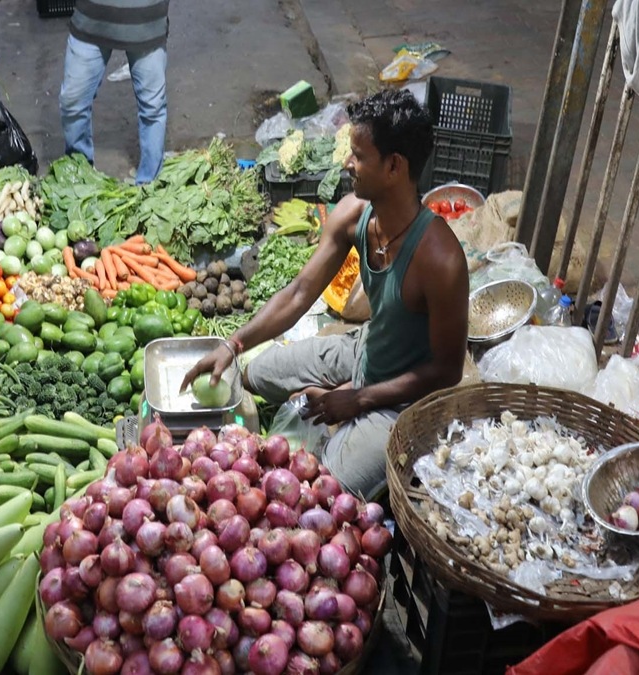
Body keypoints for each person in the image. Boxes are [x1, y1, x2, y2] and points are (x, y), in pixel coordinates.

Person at [182, 89, 469, 499]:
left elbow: (446, 372)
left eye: (358, 155)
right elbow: (300, 293)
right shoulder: (355, 214)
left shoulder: (441, 260)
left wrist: (358, 399)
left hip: (403, 402)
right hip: (364, 351)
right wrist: (233, 344)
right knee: (255, 373)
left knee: (318, 497)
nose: (346, 163)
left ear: (393, 166)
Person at [59, 0, 169, 184]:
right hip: (91, 19)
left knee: (153, 108)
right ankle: (79, 177)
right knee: (73, 102)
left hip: (147, 22)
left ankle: (149, 188)